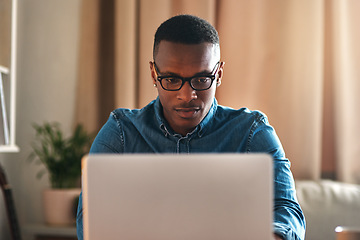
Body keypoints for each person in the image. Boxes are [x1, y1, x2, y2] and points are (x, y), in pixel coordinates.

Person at [76, 14, 305, 240]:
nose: (187, 95)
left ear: (219, 74)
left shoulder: (252, 132)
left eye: (202, 79)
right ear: (154, 74)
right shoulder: (121, 133)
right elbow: (89, 218)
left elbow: (288, 209)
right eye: (172, 80)